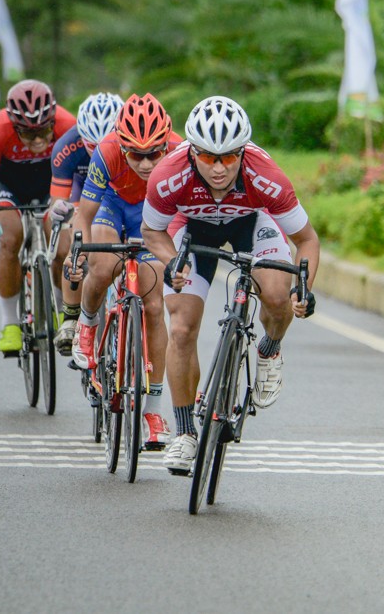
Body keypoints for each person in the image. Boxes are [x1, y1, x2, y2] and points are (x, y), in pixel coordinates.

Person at [141, 95, 319, 474]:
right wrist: (172, 262)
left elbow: (307, 240)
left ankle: (269, 350)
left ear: (243, 152)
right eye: (207, 157)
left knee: (275, 295)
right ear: (191, 152)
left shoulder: (266, 177)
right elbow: (151, 231)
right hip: (192, 230)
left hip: (251, 224)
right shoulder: (168, 174)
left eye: (229, 157)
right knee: (183, 328)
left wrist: (302, 289)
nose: (219, 168)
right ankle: (186, 433)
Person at [66, 93, 180, 450]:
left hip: (155, 214)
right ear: (122, 146)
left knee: (155, 304)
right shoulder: (107, 150)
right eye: (136, 154)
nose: (146, 164)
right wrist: (77, 251)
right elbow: (84, 213)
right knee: (102, 266)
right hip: (114, 208)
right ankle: (86, 324)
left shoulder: (179, 152)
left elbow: (184, 213)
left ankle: (154, 411)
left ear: (166, 145)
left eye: (153, 154)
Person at [0, 79, 76, 354]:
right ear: (14, 126)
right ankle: (10, 323)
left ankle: (58, 305)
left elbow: (77, 178)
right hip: (9, 186)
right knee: (9, 239)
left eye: (44, 130)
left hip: (50, 185)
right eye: (28, 134)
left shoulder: (69, 125)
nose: (39, 140)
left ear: (53, 120)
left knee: (62, 245)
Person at [49, 92, 124, 354]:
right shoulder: (65, 147)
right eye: (91, 145)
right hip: (82, 194)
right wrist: (60, 210)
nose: (98, 151)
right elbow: (57, 201)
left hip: (116, 195)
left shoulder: (132, 146)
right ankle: (70, 315)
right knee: (74, 240)